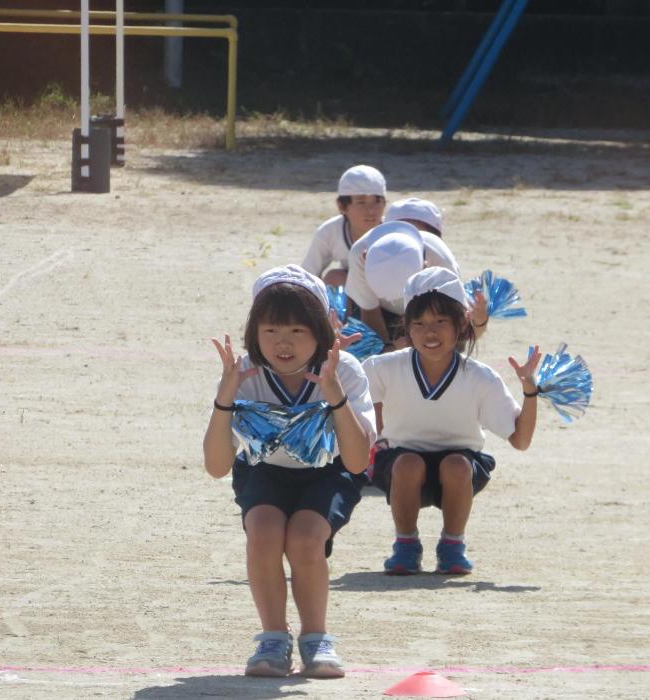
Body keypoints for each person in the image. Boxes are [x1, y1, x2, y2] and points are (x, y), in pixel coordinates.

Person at [203, 264, 376, 678]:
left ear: (320, 331)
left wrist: (334, 394)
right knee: (263, 532)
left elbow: (357, 461)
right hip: (264, 469)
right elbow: (216, 466)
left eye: (298, 330)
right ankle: (273, 639)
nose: (283, 342)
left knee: (305, 537)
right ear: (253, 333)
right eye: (270, 330)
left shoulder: (345, 370)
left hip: (330, 471)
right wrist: (225, 396)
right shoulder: (245, 373)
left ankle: (316, 638)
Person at [361, 267, 540, 575]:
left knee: (456, 465)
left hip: (462, 470)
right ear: (407, 328)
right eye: (419, 324)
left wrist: (530, 390)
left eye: (441, 322)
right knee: (408, 464)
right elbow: (365, 426)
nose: (430, 333)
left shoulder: (480, 377)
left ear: (461, 325)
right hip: (400, 467)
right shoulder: (381, 368)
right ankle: (406, 545)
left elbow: (520, 440)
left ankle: (452, 545)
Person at [345, 220, 487, 348]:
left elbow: (462, 330)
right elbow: (370, 313)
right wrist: (388, 349)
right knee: (365, 346)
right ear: (365, 257)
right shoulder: (358, 256)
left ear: (425, 266)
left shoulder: (441, 261)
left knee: (452, 345)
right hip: (383, 312)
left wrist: (480, 322)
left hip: (429, 307)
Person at [301, 164, 386, 288]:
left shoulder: (394, 232)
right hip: (353, 289)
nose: (371, 211)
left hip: (388, 290)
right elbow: (307, 275)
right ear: (342, 206)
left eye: (377, 201)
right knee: (334, 278)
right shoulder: (330, 232)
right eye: (361, 202)